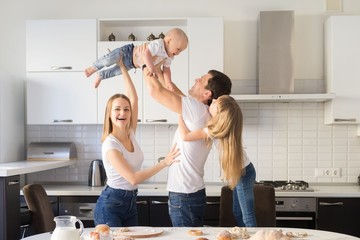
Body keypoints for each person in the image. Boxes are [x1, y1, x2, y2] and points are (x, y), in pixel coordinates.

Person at [94, 57, 180, 227]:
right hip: (110, 206)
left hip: (130, 204)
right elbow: (133, 178)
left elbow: (133, 97)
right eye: (117, 109)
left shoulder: (130, 132)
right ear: (109, 114)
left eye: (126, 109)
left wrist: (122, 67)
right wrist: (164, 163)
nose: (123, 113)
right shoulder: (111, 145)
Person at [142, 65, 232, 227]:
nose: (196, 79)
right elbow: (171, 90)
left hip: (184, 194)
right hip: (192, 193)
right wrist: (160, 72)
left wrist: (143, 65)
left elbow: (155, 92)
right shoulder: (203, 111)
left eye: (202, 79)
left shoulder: (196, 109)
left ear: (207, 94)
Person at [177, 95, 257, 227]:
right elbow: (189, 104)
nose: (212, 101)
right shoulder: (225, 126)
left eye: (216, 103)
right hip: (243, 170)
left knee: (247, 215)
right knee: (238, 213)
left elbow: (185, 136)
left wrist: (179, 113)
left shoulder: (214, 130)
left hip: (243, 172)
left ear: (219, 114)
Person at [84, 27, 188, 89]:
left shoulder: (169, 56)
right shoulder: (158, 44)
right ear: (169, 41)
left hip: (131, 64)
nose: (178, 53)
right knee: (108, 60)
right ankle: (93, 68)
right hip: (128, 53)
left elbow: (166, 69)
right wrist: (151, 68)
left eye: (181, 51)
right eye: (178, 49)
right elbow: (146, 53)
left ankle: (101, 75)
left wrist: (168, 82)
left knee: (116, 72)